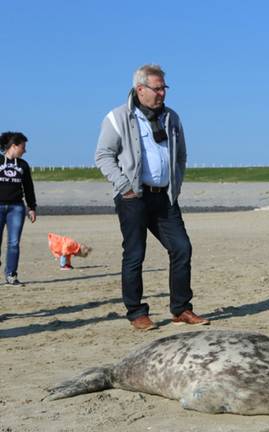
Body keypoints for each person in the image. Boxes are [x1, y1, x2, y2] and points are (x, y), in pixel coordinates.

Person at [95, 64, 208, 331]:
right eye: (157, 89)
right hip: (133, 197)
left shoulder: (171, 118)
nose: (162, 94)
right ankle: (136, 312)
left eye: (164, 88)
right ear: (140, 89)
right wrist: (124, 186)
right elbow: (103, 156)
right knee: (135, 254)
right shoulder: (118, 117)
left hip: (164, 197)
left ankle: (181, 309)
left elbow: (180, 154)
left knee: (181, 247)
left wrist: (175, 185)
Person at [0, 132, 37, 286]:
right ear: (14, 146)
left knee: (14, 242)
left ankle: (11, 274)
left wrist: (31, 207)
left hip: (16, 208)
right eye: (23, 147)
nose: (25, 150)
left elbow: (28, 187)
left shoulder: (23, 165)